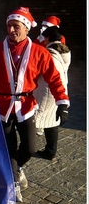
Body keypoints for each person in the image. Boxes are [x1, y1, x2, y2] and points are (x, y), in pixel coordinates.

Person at [0, 7, 69, 202]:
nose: (11, 30)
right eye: (9, 26)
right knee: (9, 148)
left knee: (30, 148)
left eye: (16, 26)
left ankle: (17, 168)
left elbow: (54, 78)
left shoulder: (39, 52)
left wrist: (62, 102)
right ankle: (13, 181)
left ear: (27, 28)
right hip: (2, 106)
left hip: (26, 106)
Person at [34, 26, 71, 161]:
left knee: (35, 118)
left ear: (48, 38)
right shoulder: (64, 51)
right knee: (52, 120)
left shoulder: (49, 53)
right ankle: (51, 151)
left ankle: (27, 147)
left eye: (44, 38)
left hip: (47, 89)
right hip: (59, 89)